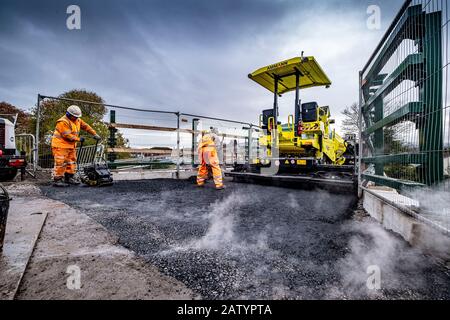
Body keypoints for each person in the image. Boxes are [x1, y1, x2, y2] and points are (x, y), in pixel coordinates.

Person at [51, 105, 101, 187]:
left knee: (71, 162)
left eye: (77, 117)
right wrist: (78, 139)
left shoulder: (77, 120)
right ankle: (58, 180)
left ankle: (69, 177)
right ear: (68, 114)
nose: (76, 118)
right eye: (74, 116)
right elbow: (67, 135)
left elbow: (86, 126)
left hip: (71, 146)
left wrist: (94, 134)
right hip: (60, 146)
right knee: (61, 163)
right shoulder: (62, 122)